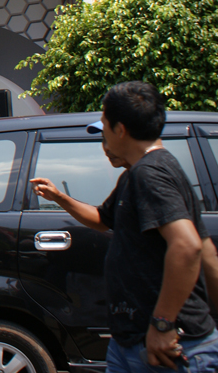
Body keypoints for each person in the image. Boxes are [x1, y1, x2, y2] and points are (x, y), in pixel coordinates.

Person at [30, 82, 218, 373]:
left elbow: (188, 246)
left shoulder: (150, 174)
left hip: (164, 347)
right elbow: (103, 219)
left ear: (120, 129)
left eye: (104, 124)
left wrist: (163, 323)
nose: (103, 136)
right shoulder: (140, 174)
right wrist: (59, 198)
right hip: (130, 341)